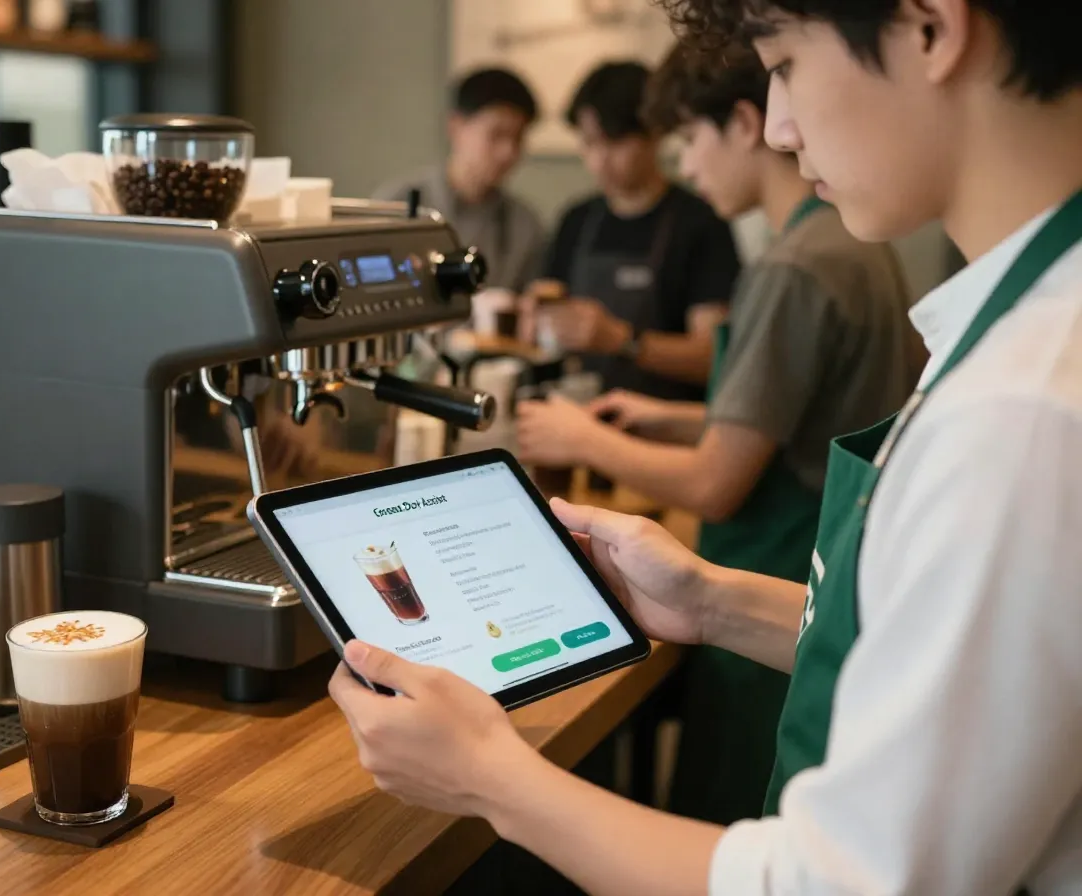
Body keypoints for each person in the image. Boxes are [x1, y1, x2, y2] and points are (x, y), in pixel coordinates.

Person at [329, 0, 1082, 892]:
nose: (777, 124)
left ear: (929, 28)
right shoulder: (1018, 332)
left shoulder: (1025, 410)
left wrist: (493, 779)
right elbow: (963, 667)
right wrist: (714, 602)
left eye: (786, 64)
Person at [517, 39, 921, 825]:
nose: (689, 169)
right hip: (807, 587)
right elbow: (795, 420)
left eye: (689, 142)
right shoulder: (848, 242)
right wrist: (662, 417)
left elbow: (717, 481)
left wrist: (581, 438)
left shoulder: (793, 266)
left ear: (743, 124)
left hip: (775, 594)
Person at [533, 61, 741, 398]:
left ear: (654, 134)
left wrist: (621, 340)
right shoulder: (576, 220)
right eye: (588, 144)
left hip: (665, 427)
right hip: (580, 412)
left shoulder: (701, 223)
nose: (599, 160)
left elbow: (713, 358)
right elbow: (546, 305)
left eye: (614, 143)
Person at [374, 68, 546, 295]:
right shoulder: (395, 205)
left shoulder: (524, 225)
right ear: (456, 127)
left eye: (518, 138)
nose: (508, 152)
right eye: (497, 135)